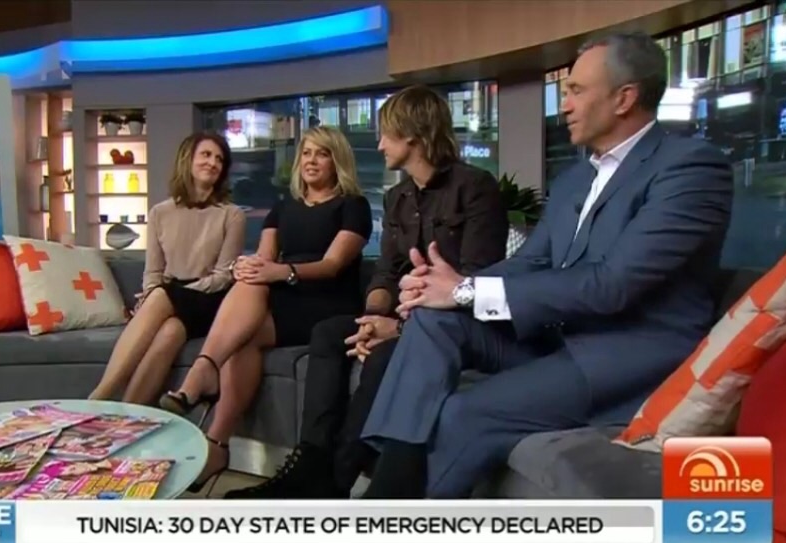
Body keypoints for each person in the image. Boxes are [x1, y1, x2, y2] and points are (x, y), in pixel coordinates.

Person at [359, 28, 732, 535]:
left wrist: (466, 291)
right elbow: (531, 263)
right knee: (431, 320)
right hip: (556, 339)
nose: (565, 105)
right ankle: (385, 498)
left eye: (576, 90)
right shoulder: (576, 178)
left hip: (626, 358)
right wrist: (444, 287)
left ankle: (385, 538)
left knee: (465, 412)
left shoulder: (690, 169)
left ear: (624, 98)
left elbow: (613, 284)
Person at [224, 85, 509, 501]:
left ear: (412, 135)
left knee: (382, 356)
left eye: (386, 134)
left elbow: (475, 283)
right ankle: (310, 462)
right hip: (400, 314)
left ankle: (335, 481)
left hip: (448, 325)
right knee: (328, 333)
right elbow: (386, 274)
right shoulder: (397, 197)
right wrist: (374, 316)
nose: (379, 145)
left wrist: (399, 326)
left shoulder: (476, 187)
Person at [159, 125, 373, 493]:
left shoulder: (353, 206)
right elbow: (264, 257)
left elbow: (333, 265)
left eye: (322, 154)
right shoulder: (283, 207)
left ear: (337, 160)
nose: (311, 161)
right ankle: (217, 442)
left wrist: (282, 272)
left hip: (327, 301)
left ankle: (204, 381)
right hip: (285, 295)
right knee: (245, 316)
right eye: (306, 153)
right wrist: (248, 266)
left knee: (250, 307)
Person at [88, 132, 246, 406]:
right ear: (188, 159)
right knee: (170, 332)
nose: (213, 163)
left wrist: (169, 294)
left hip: (209, 298)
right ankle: (126, 415)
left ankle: (97, 399)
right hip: (171, 295)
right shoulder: (160, 213)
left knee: (162, 295)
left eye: (219, 159)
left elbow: (223, 276)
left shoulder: (232, 215)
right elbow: (153, 273)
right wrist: (153, 295)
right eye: (206, 155)